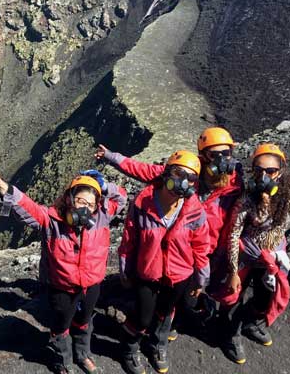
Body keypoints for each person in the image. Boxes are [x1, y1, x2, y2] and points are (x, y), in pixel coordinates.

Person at [0, 157, 127, 374]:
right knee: (60, 325)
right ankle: (63, 359)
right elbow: (26, 206)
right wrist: (1, 185)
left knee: (85, 320)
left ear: (97, 205)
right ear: (69, 198)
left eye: (90, 204)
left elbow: (122, 197)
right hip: (62, 288)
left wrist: (105, 186)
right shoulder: (51, 221)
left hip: (91, 285)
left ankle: (83, 354)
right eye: (80, 201)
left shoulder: (103, 217)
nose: (85, 208)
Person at [96, 127, 243, 334]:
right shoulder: (186, 173)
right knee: (177, 295)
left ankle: (185, 323)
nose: (221, 160)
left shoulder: (238, 183)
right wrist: (112, 157)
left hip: (210, 251)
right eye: (214, 154)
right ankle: (165, 325)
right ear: (203, 156)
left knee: (199, 294)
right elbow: (144, 170)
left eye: (226, 153)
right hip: (181, 252)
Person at [95, 148, 210, 374]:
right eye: (178, 174)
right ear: (166, 173)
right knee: (143, 316)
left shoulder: (194, 209)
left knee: (166, 312)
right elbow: (129, 238)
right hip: (148, 272)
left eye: (191, 178)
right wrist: (125, 269)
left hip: (179, 274)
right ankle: (129, 348)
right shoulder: (142, 203)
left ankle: (158, 343)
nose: (183, 182)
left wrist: (201, 277)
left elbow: (201, 244)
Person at [219, 143, 290, 364]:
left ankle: (252, 322)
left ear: (280, 169)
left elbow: (283, 224)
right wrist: (233, 271)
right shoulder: (245, 200)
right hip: (247, 255)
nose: (264, 175)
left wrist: (273, 251)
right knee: (234, 296)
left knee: (265, 297)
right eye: (259, 170)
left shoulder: (288, 190)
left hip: (270, 256)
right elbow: (233, 235)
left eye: (270, 171)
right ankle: (230, 334)